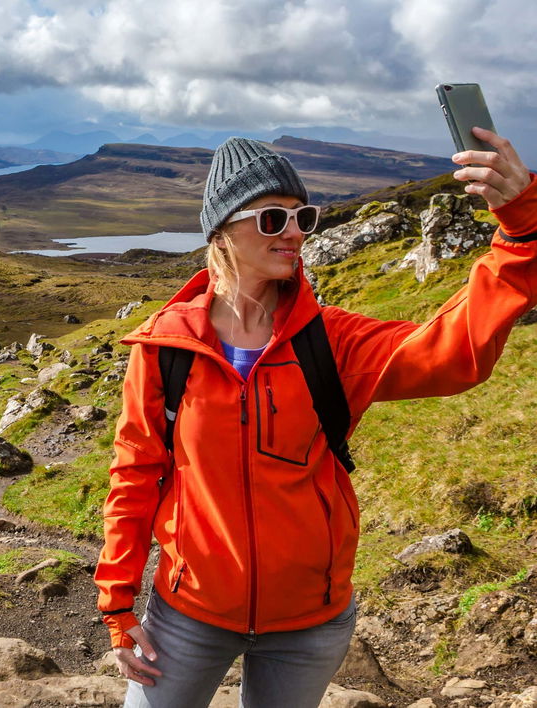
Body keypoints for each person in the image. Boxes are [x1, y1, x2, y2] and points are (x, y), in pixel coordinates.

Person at [93, 127, 537, 708]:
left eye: (303, 216)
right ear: (223, 231)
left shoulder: (331, 342)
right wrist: (119, 607)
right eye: (272, 219)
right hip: (189, 615)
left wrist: (521, 230)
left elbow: (452, 356)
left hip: (309, 623)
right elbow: (135, 476)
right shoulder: (164, 349)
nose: (295, 232)